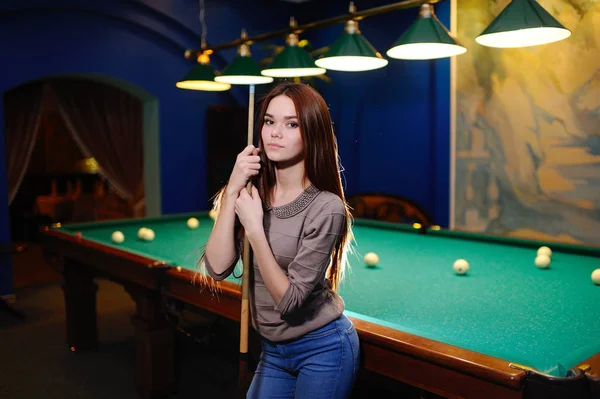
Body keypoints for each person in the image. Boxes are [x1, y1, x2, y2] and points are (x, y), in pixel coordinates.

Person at [201, 81, 359, 398]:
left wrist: (256, 231)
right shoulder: (250, 190)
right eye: (270, 121)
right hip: (273, 351)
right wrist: (232, 189)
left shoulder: (326, 207)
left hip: (323, 348)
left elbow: (289, 303)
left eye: (291, 124)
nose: (275, 132)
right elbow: (216, 268)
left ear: (312, 132)